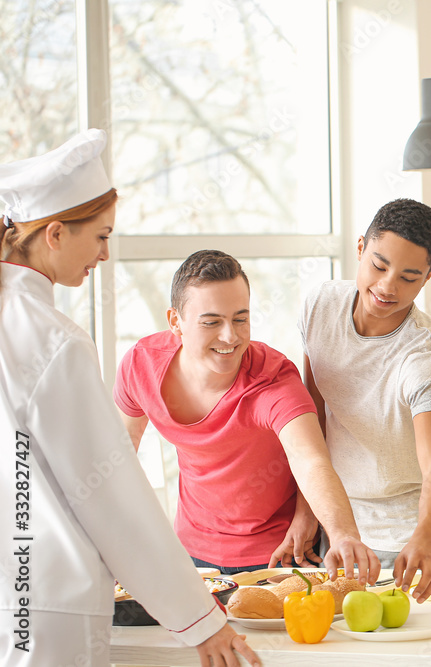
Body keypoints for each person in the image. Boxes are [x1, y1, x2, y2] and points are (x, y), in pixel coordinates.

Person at [0, 129, 258, 666]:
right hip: (49, 603)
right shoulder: (54, 340)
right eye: (99, 236)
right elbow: (109, 493)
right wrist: (200, 621)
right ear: (53, 234)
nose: (105, 253)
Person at [115, 249, 380, 580]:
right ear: (175, 322)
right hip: (191, 553)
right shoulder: (141, 365)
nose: (230, 336)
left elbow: (311, 460)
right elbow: (120, 453)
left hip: (277, 556)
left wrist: (343, 535)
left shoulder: (272, 380)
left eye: (240, 319)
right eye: (211, 322)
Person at [299, 198, 431, 603]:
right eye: (379, 265)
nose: (388, 286)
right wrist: (306, 512)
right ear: (359, 248)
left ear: (429, 277)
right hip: (335, 527)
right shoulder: (319, 307)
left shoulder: (423, 355)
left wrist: (425, 538)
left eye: (409, 277)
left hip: (403, 540)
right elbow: (309, 418)